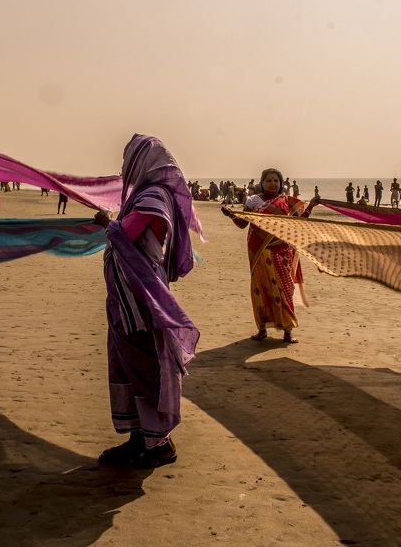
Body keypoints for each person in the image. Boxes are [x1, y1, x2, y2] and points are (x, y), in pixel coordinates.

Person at [95, 134, 200, 469]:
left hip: (141, 300)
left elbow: (127, 234)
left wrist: (106, 225)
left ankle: (156, 443)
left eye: (129, 160)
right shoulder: (146, 195)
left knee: (145, 364)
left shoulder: (153, 196)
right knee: (133, 364)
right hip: (130, 298)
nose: (125, 167)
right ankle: (141, 438)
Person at [223, 168, 318, 344]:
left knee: (284, 290)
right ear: (262, 183)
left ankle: (288, 331)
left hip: (282, 252)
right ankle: (262, 329)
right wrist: (231, 215)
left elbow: (300, 223)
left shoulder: (287, 202)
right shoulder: (253, 201)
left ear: (281, 184)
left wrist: (311, 206)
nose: (273, 183)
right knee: (260, 289)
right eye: (269, 180)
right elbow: (242, 224)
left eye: (276, 180)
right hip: (258, 252)